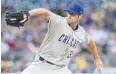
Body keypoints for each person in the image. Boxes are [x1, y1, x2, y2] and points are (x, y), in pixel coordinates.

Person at [10, 1, 104, 74]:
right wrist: (28, 14)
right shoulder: (59, 22)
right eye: (69, 12)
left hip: (61, 69)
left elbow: (90, 41)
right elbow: (45, 12)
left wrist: (96, 58)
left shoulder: (81, 32)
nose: (70, 15)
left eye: (73, 14)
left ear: (80, 16)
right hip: (42, 64)